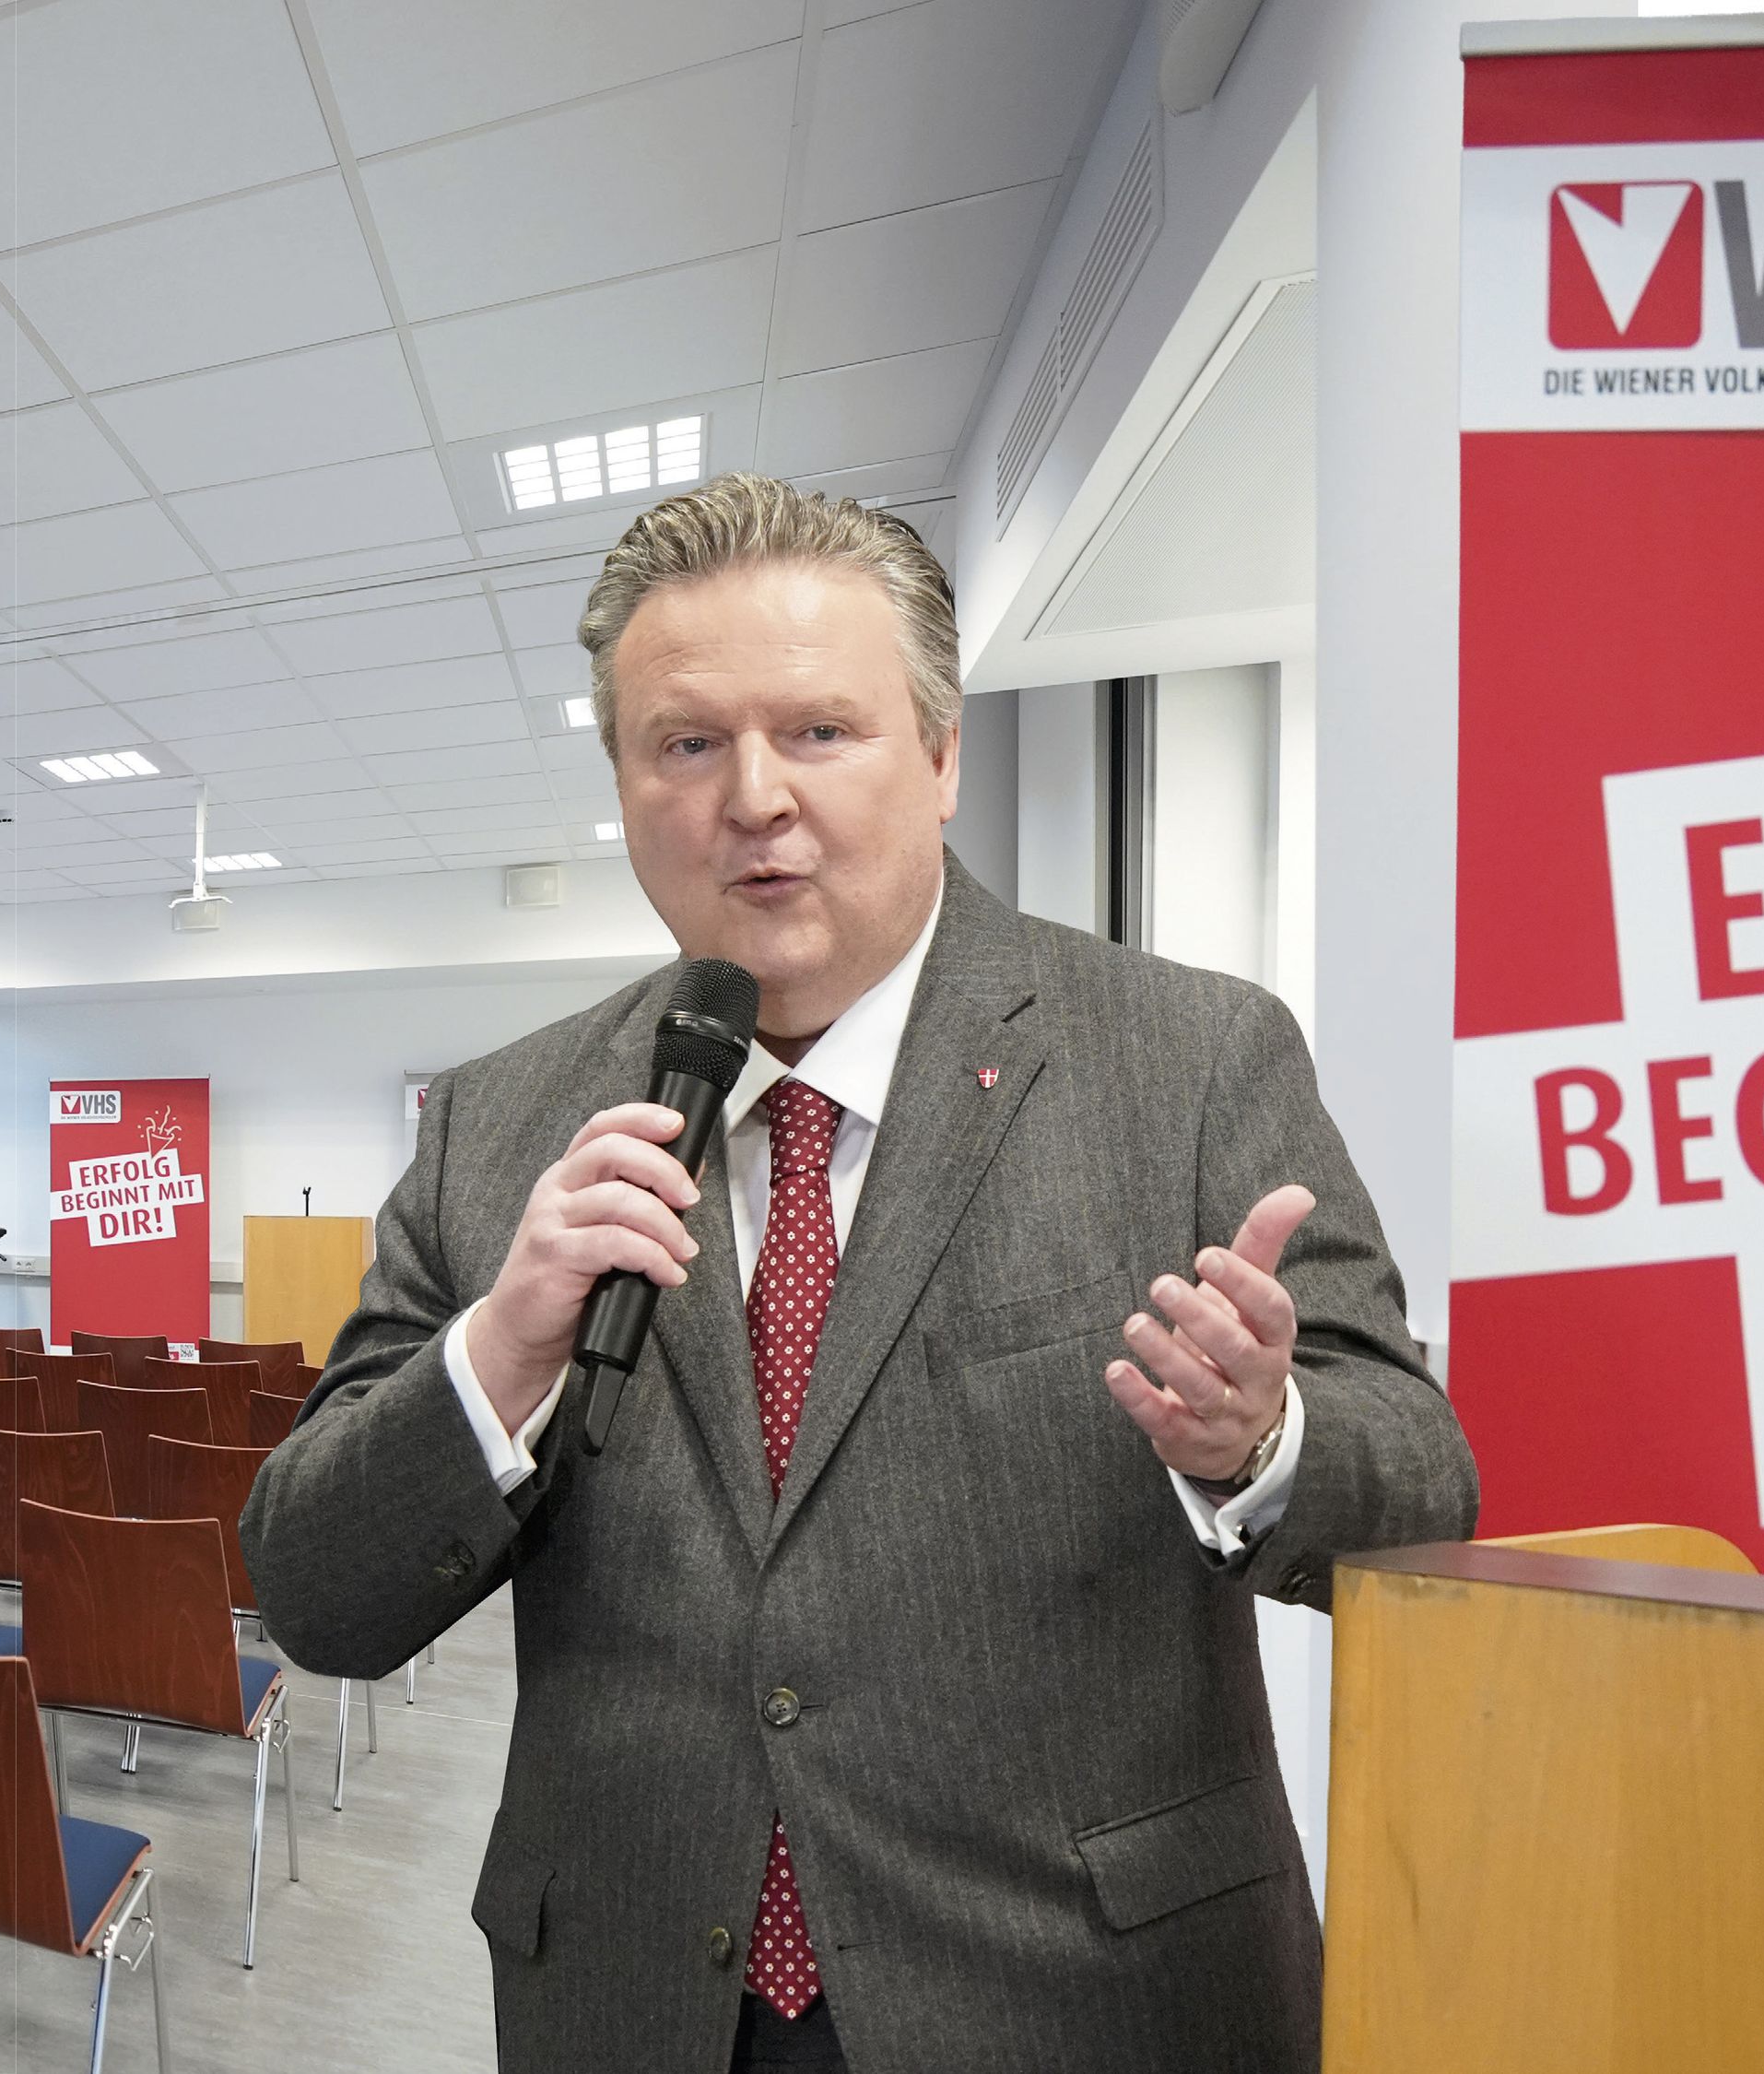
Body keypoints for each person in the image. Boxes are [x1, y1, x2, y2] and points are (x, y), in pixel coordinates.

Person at [243, 474, 1476, 2072]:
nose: (753, 796)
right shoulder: (503, 1128)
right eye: (686, 743)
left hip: (1087, 2004)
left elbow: (1424, 1486)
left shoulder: (1187, 1058)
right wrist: (500, 1359)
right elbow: (317, 1591)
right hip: (638, 2003)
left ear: (945, 755)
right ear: (624, 783)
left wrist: (1261, 1442)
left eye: (821, 730)